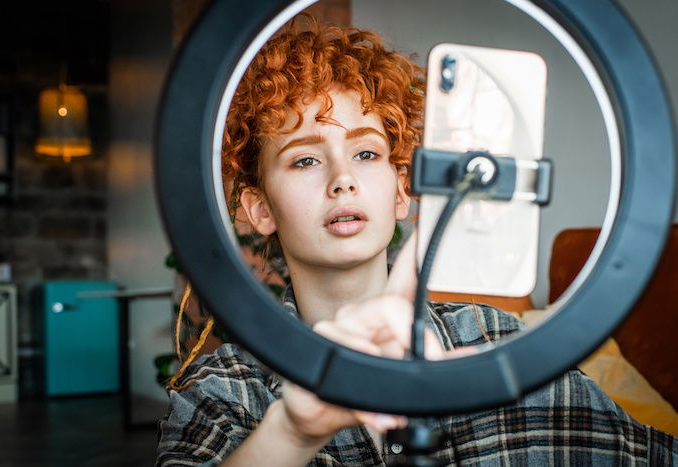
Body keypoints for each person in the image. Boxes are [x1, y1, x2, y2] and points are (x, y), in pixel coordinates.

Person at [156, 18, 677, 466]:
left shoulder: (500, 344)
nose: (343, 180)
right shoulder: (223, 389)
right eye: (306, 159)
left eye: (366, 154)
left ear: (403, 189)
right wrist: (291, 431)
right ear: (260, 208)